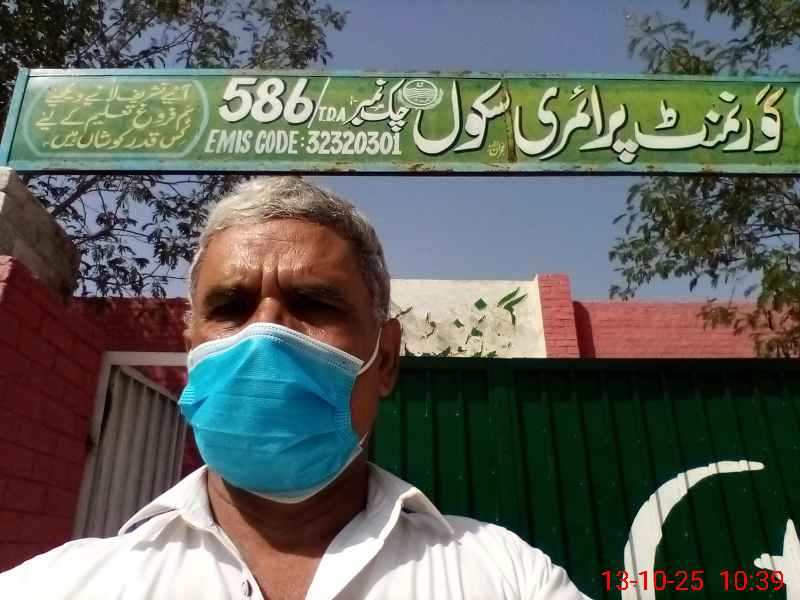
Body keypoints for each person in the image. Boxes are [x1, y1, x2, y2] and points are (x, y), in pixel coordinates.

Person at [0, 176, 589, 600]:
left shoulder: (507, 579)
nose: (265, 334)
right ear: (191, 351)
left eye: (312, 304)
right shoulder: (59, 586)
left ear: (385, 359)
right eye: (230, 307)